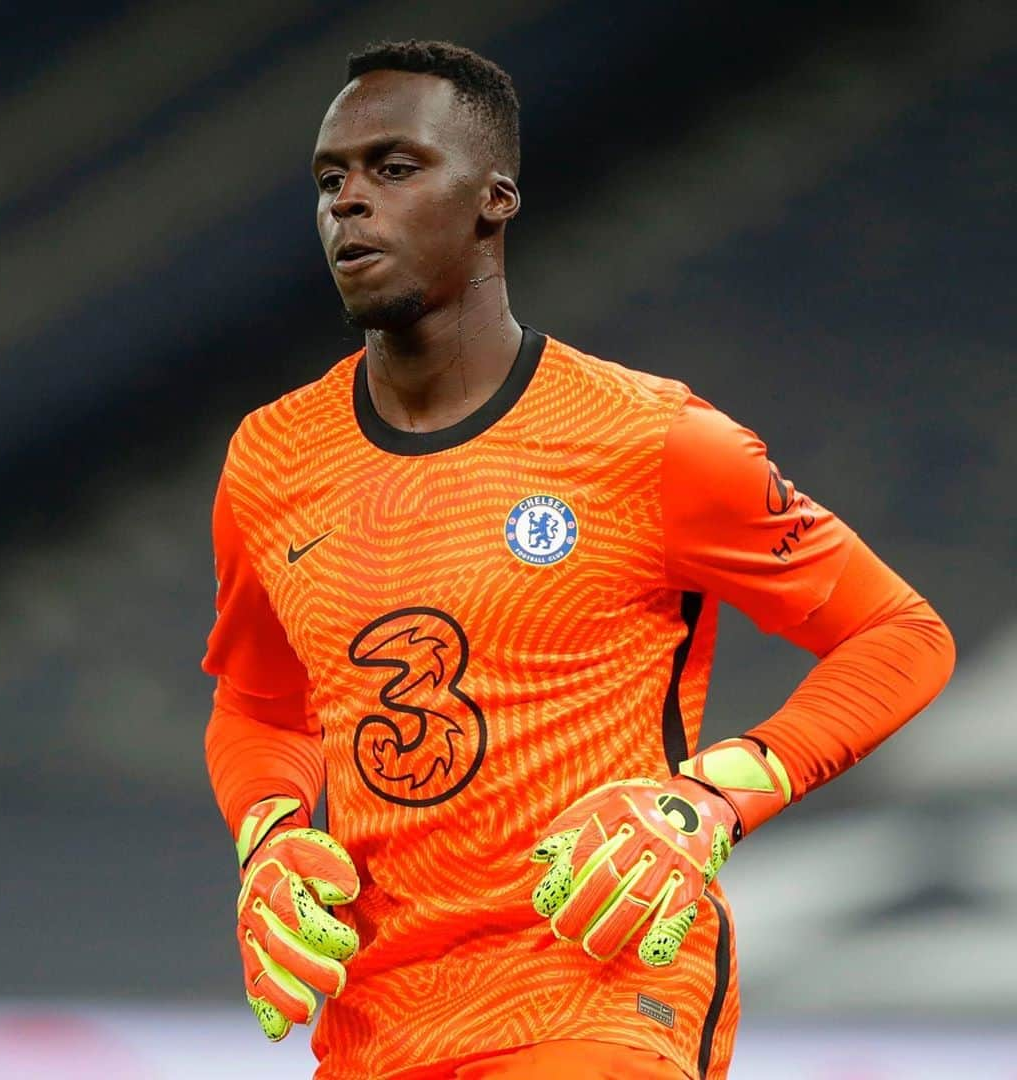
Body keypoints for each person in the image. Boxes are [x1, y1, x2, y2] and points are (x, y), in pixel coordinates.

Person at [202, 39, 955, 1080]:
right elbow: (259, 706)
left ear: (494, 198)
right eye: (331, 179)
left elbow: (899, 635)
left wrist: (715, 797)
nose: (350, 203)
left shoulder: (652, 440)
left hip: (598, 1002)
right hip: (375, 1029)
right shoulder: (270, 459)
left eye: (395, 167)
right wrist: (270, 833)